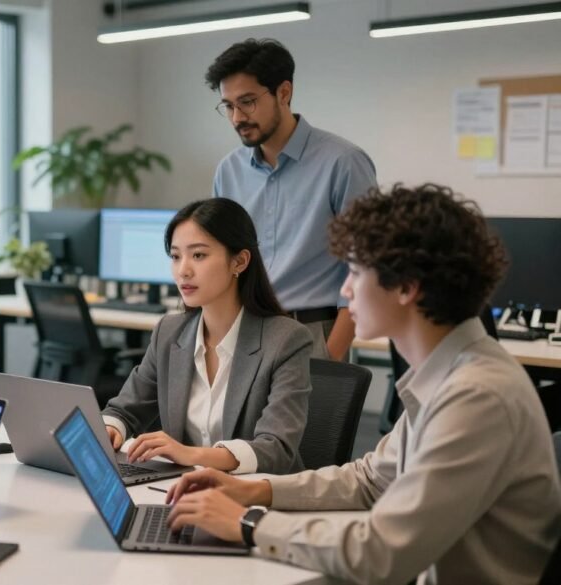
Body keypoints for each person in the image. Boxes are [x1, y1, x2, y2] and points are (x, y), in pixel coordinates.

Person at [165, 184, 561, 584]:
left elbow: (382, 551)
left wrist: (249, 524)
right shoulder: (451, 376)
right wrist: (252, 491)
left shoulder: (477, 396)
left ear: (406, 287)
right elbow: (370, 479)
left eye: (355, 272)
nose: (345, 290)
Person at [101, 198, 312, 475]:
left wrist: (191, 454)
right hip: (183, 493)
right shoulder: (169, 332)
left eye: (198, 255)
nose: (183, 270)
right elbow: (125, 410)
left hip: (255, 499)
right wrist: (110, 428)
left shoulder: (286, 340)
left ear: (239, 261)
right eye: (176, 256)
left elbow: (276, 448)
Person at [207, 38, 377, 360]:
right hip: (244, 334)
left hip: (312, 333)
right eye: (228, 106)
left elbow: (366, 270)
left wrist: (331, 356)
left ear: (284, 93)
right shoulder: (228, 171)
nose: (236, 118)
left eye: (247, 102)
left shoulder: (343, 162)